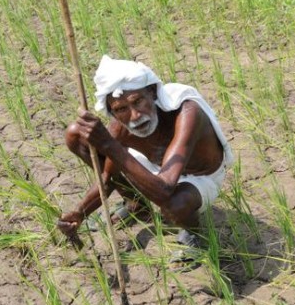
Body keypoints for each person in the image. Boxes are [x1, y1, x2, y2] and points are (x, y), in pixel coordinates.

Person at [57, 55, 234, 262]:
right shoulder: (120, 129)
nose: (135, 116)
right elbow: (107, 179)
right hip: (156, 170)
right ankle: (135, 204)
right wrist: (79, 213)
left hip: (199, 178)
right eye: (121, 109)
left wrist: (111, 146)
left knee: (174, 205)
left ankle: (195, 235)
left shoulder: (186, 112)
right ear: (113, 113)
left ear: (151, 92)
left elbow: (164, 190)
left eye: (138, 101)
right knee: (75, 133)